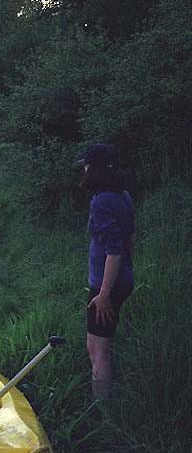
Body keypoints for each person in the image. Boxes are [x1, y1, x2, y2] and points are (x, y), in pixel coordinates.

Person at [79, 143, 135, 399]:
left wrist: (103, 294)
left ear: (96, 168)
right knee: (97, 344)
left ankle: (100, 410)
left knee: (98, 350)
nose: (84, 168)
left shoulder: (101, 201)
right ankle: (102, 403)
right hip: (120, 280)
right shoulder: (123, 195)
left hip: (107, 285)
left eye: (87, 164)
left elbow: (115, 250)